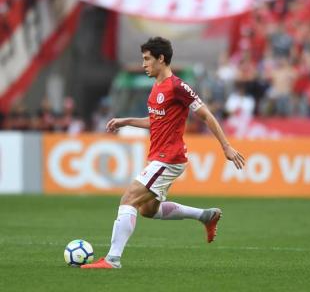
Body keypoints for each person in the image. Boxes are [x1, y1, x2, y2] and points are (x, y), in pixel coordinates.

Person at [82, 37, 245, 269]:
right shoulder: (157, 86)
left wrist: (226, 146)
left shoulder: (178, 87)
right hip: (160, 156)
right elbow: (156, 121)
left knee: (128, 198)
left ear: (161, 59)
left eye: (147, 59)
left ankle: (112, 259)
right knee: (148, 210)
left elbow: (207, 115)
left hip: (168, 158)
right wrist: (126, 121)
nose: (143, 64)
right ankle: (206, 215)